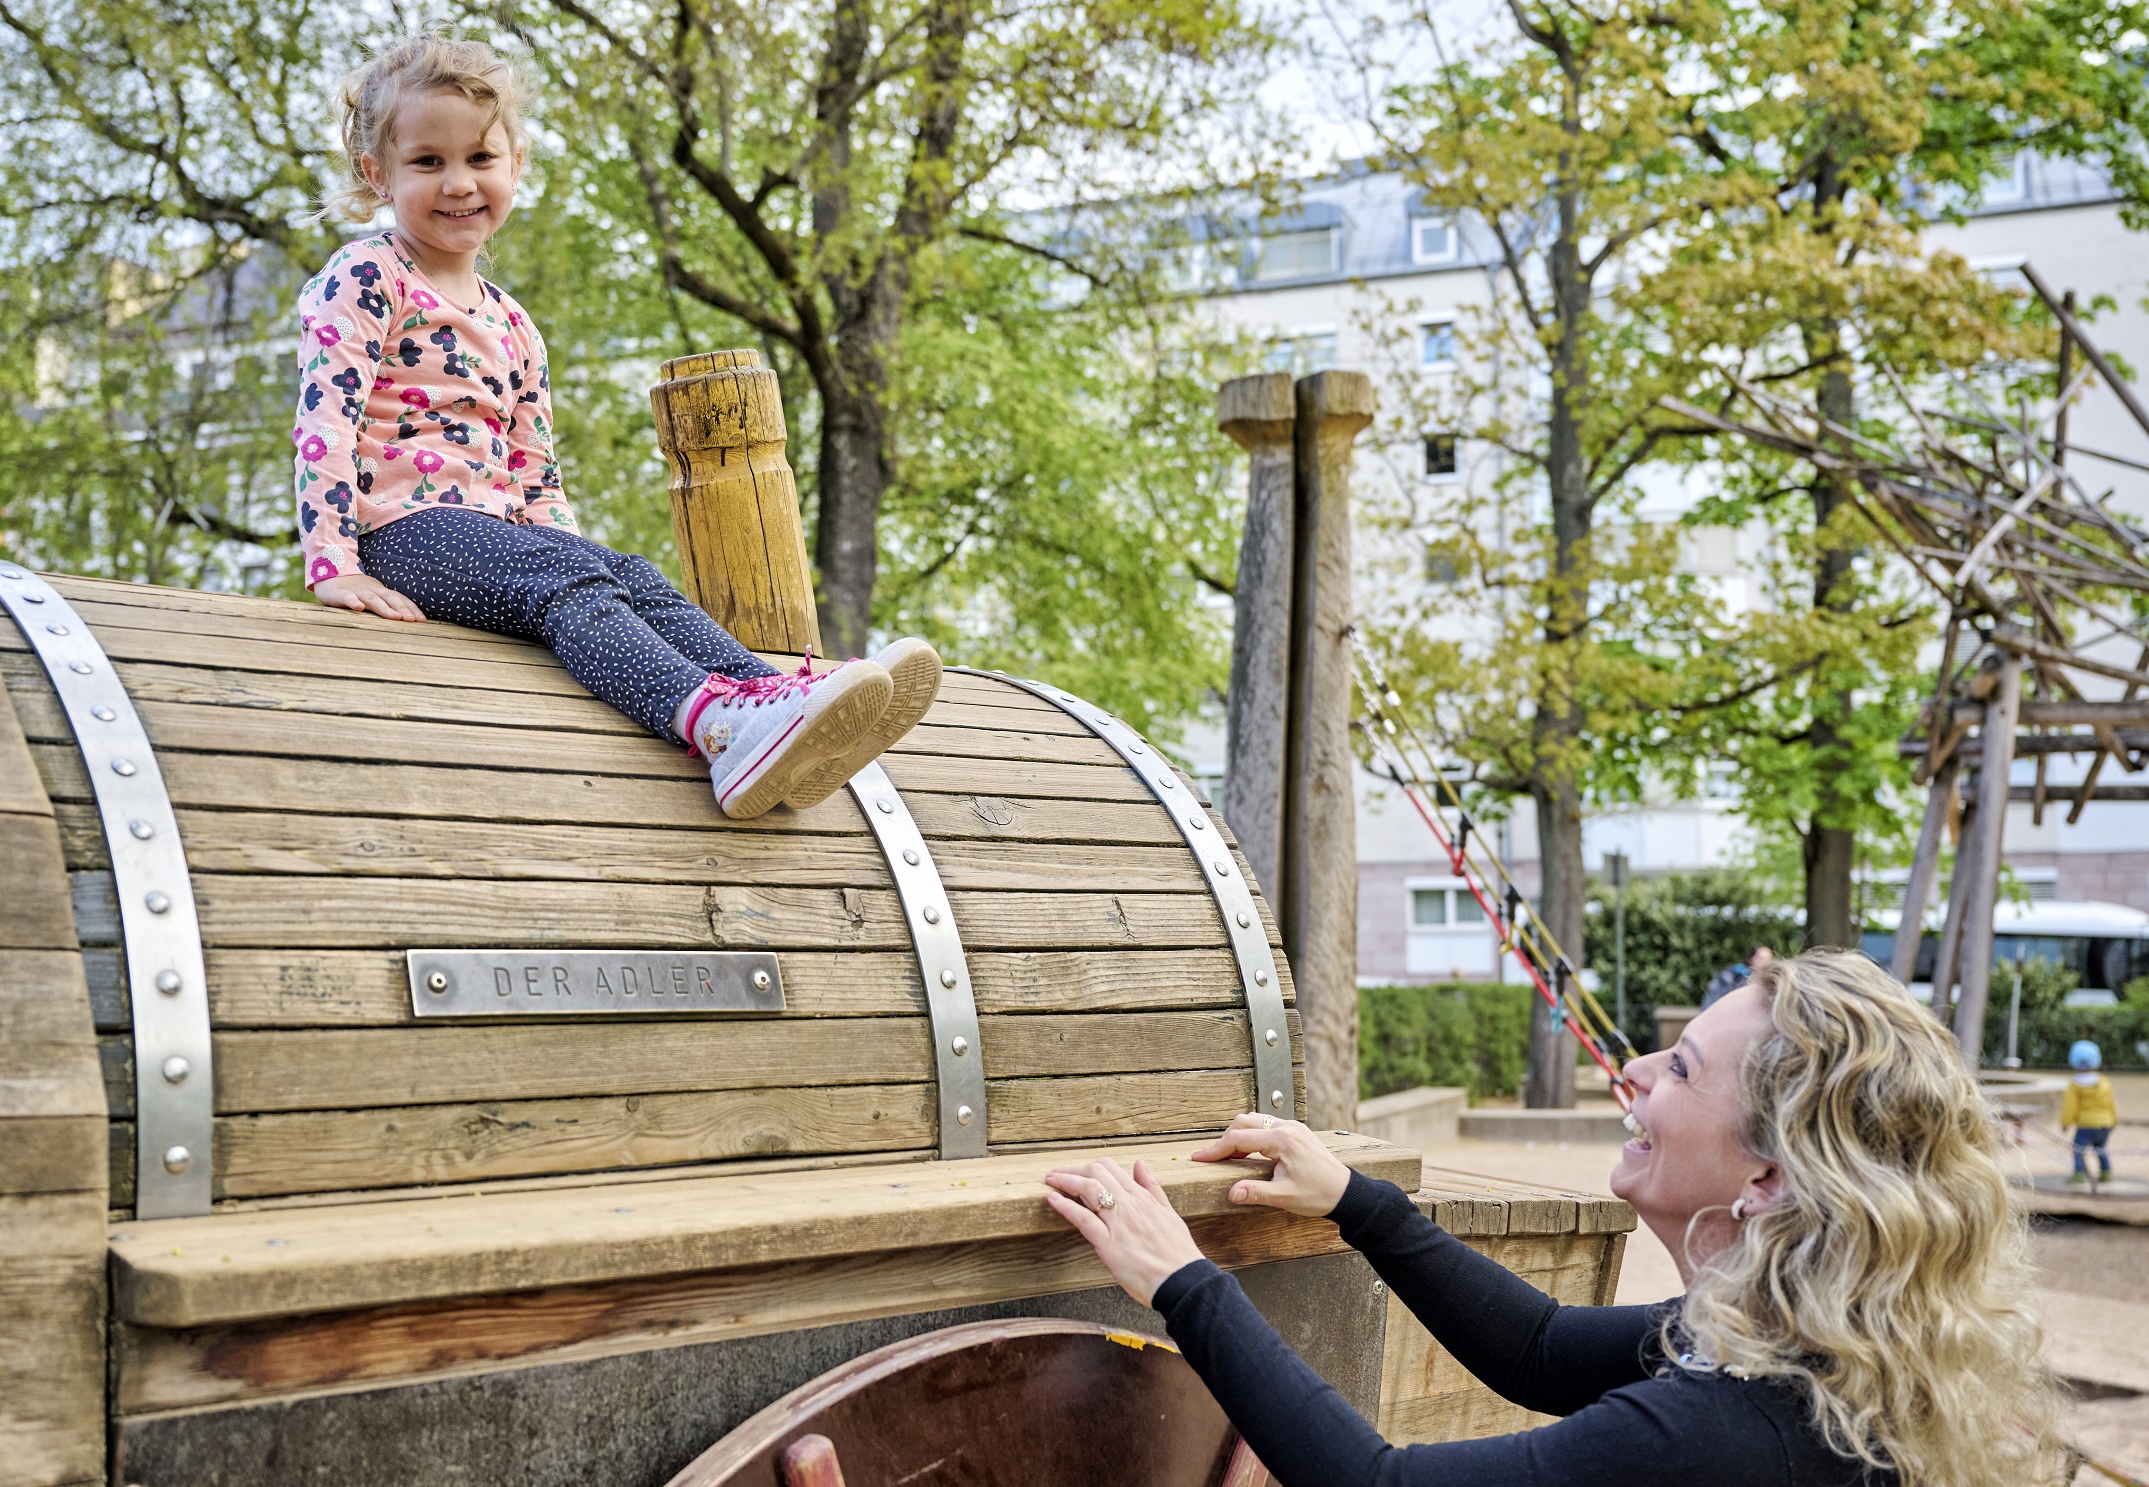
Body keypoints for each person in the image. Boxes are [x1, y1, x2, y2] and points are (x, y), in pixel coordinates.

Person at [1045, 950, 2059, 1487]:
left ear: (1766, 1179)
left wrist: (1184, 1280)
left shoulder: (1727, 1431)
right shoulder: (1805, 1348)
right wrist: (1357, 1200)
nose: (1635, 1070)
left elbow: (1376, 1485)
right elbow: (1535, 1347)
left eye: (1681, 1067)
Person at [293, 35, 939, 819]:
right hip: (404, 532)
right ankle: (720, 725)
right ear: (379, 174)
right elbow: (326, 417)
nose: (459, 183)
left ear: (516, 163)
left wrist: (576, 548)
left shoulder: (515, 323)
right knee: (570, 584)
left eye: (480, 159)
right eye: (428, 162)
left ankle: (784, 698)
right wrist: (335, 562)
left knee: (629, 573)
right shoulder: (366, 275)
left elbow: (536, 474)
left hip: (500, 539)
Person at [2062, 1039, 2118, 1186]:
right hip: (2104, 1123)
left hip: (2086, 1124)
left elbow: (2070, 1106)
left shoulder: (2074, 1085)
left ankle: (2079, 1174)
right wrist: (2113, 1121)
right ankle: (2106, 1172)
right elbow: (2110, 1104)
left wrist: (2066, 1122)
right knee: (2100, 1149)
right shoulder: (2104, 1082)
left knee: (2077, 1149)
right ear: (2097, 1062)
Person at [1701, 944, 1773, 1008]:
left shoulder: (1768, 980)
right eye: (1761, 959)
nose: (1765, 963)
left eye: (1768, 960)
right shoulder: (1737, 974)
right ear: (1751, 959)